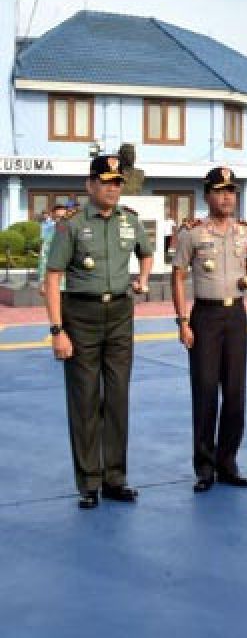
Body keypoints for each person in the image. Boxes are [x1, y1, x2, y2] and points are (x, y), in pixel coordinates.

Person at [43, 155, 153, 509]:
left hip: (121, 312)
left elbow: (146, 253)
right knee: (86, 399)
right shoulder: (71, 225)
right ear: (90, 185)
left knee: (118, 396)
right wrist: (57, 330)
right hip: (81, 314)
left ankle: (115, 478)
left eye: (117, 182)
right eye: (105, 181)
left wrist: (143, 278)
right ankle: (89, 481)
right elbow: (53, 277)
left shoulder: (129, 221)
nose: (112, 188)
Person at [171, 167, 247, 493]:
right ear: (207, 195)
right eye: (220, 191)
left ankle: (228, 463)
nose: (227, 197)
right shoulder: (192, 234)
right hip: (204, 317)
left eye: (231, 191)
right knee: (206, 391)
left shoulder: (246, 233)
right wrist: (182, 321)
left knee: (235, 393)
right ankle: (205, 467)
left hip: (236, 315)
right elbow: (177, 275)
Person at [37, 202, 68, 297]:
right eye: (58, 216)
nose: (61, 219)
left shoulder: (74, 232)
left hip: (73, 281)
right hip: (55, 280)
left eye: (64, 216)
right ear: (53, 217)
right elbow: (43, 258)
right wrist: (42, 281)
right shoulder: (48, 233)